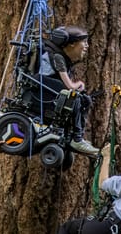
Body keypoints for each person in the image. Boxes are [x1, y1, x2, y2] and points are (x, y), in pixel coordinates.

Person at [24, 24, 98, 156]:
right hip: (41, 88)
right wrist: (78, 85)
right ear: (71, 44)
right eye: (84, 42)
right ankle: (77, 138)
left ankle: (73, 136)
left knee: (83, 100)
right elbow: (69, 85)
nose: (87, 46)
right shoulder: (57, 57)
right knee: (75, 97)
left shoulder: (61, 56)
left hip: (46, 88)